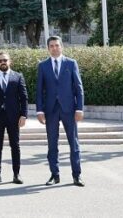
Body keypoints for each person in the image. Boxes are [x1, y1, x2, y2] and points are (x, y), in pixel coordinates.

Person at [36, 36, 85, 187]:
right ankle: (54, 174)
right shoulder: (43, 66)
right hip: (51, 110)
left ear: (61, 47)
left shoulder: (71, 63)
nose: (54, 48)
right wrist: (39, 110)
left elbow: (78, 87)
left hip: (69, 109)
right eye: (51, 46)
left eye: (57, 45)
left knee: (74, 143)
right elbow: (39, 90)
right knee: (52, 144)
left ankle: (76, 175)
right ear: (48, 48)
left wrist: (79, 108)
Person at [0, 51, 28, 185]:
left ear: (10, 61)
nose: (2, 62)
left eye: (5, 60)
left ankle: (16, 174)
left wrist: (23, 115)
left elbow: (23, 97)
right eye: (0, 60)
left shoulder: (18, 76)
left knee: (15, 146)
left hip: (14, 117)